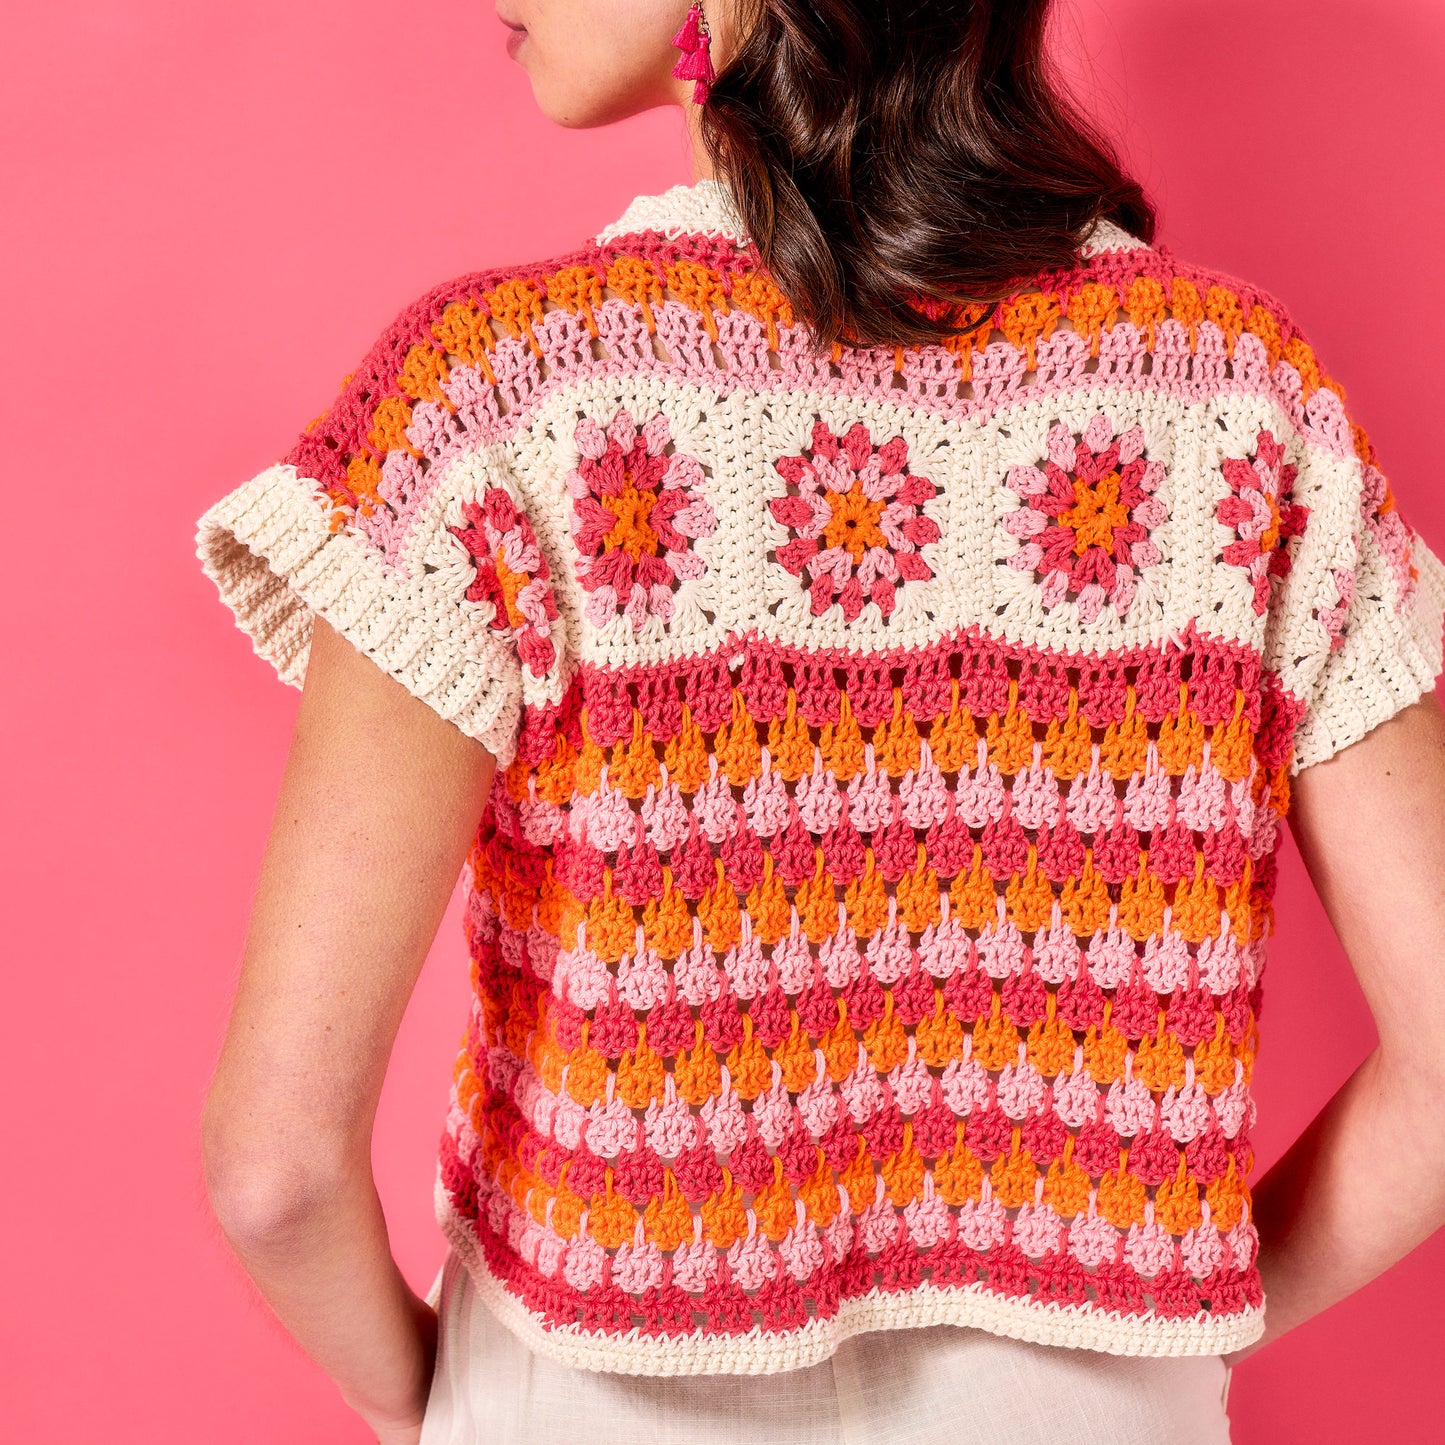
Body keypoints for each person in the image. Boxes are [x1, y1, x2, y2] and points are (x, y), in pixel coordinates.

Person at [194, 2, 1445, 1442]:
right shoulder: (1242, 401)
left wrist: (442, 1403)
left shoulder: (494, 401)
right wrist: (1168, 1338)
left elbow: (271, 1168)